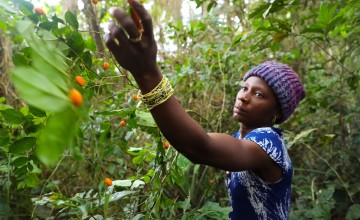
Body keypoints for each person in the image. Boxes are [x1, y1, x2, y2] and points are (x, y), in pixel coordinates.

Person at [103, 1, 306, 219]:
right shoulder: (240, 138)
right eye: (244, 88)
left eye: (259, 95)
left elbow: (199, 147)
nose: (244, 96)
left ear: (276, 112)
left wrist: (147, 74)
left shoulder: (269, 143)